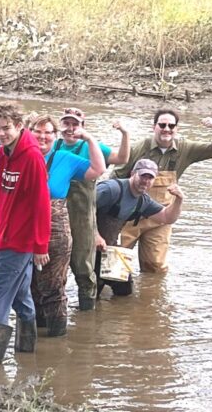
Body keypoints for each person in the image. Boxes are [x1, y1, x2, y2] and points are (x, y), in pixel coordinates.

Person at [0, 103, 50, 364]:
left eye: (6, 128)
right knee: (20, 297)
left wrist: (40, 246)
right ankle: (27, 355)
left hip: (20, 241)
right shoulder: (4, 153)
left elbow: (42, 205)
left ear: (19, 126)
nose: (1, 134)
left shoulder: (32, 157)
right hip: (4, 236)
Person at [112, 109, 212, 273]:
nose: (167, 129)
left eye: (171, 126)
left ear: (176, 129)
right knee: (116, 265)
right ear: (154, 127)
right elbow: (115, 177)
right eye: (162, 125)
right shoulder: (139, 148)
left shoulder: (185, 148)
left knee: (156, 269)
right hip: (129, 216)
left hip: (161, 217)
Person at [26, 114, 105, 336]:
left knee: (53, 285)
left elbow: (98, 169)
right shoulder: (20, 156)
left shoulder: (65, 158)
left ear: (55, 136)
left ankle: (56, 339)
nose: (42, 136)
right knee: (28, 285)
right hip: (24, 228)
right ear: (28, 132)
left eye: (48, 132)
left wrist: (88, 138)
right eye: (37, 131)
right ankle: (34, 334)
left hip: (56, 231)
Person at [58, 107, 129, 311]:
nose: (70, 128)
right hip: (57, 215)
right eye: (66, 123)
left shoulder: (92, 146)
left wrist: (125, 134)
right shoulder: (53, 146)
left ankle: (87, 312)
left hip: (82, 219)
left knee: (83, 269)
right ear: (60, 126)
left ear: (83, 126)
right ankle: (57, 311)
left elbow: (122, 159)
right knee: (54, 269)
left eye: (75, 124)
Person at [95, 159, 185, 296]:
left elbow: (167, 217)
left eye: (150, 178)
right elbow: (82, 209)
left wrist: (179, 199)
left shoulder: (143, 201)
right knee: (91, 289)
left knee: (124, 290)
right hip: (85, 243)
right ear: (132, 174)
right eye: (143, 176)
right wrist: (95, 235)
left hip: (107, 248)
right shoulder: (111, 189)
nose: (145, 181)